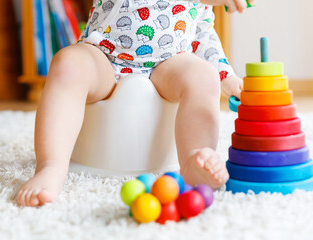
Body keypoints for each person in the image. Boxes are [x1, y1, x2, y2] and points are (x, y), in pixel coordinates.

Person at [18, 0, 255, 206]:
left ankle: (194, 158)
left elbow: (201, 32)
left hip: (169, 62)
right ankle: (51, 166)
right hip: (104, 55)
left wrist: (225, 75)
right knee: (68, 64)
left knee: (204, 76)